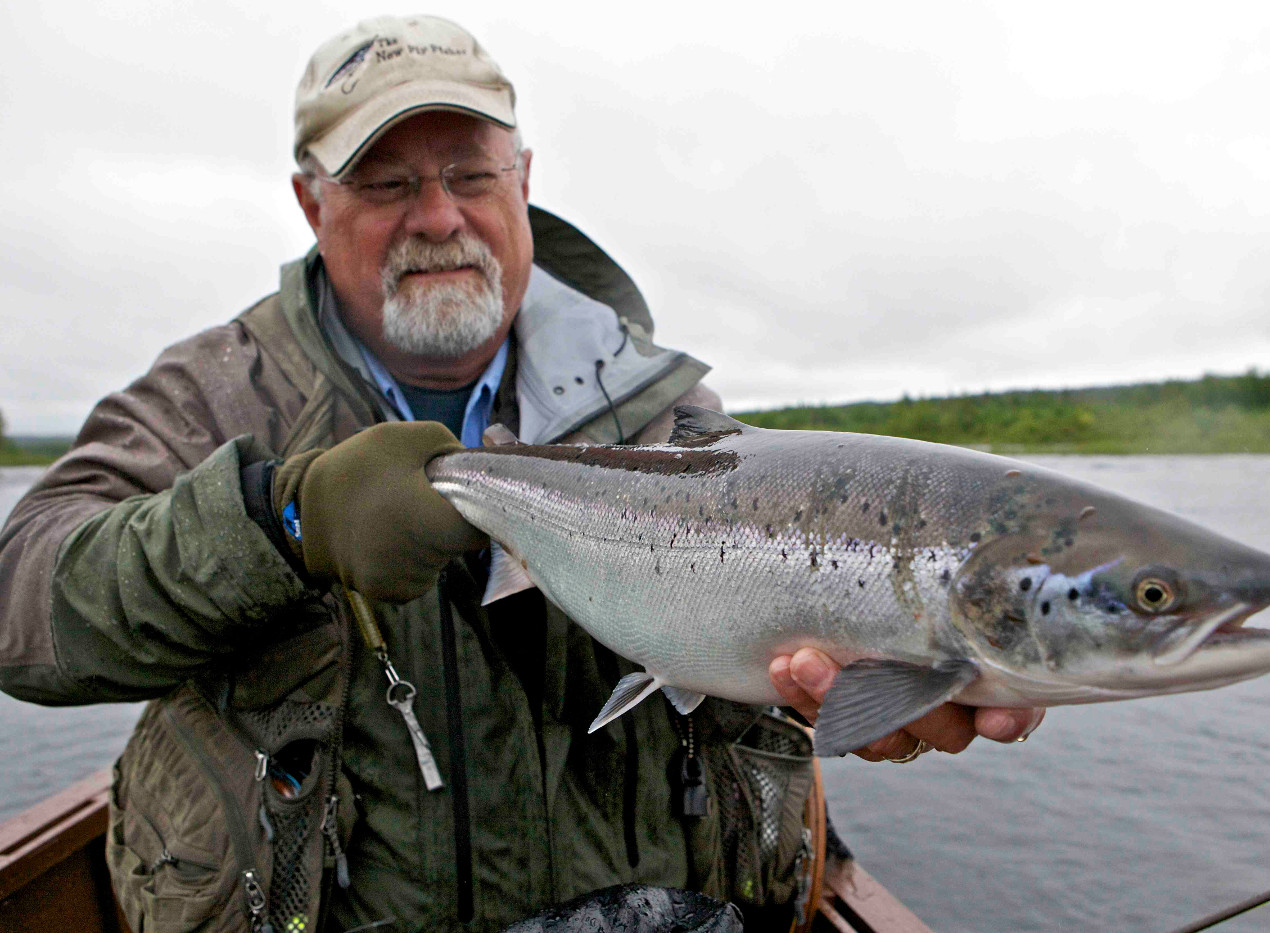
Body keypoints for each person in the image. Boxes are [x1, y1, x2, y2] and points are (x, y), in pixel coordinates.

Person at [0, 14, 1042, 933]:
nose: (438, 216)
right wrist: (279, 518)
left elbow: (795, 671)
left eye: (469, 173)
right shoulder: (210, 395)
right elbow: (25, 605)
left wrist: (878, 695)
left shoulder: (664, 412)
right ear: (310, 205)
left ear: (525, 183)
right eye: (387, 182)